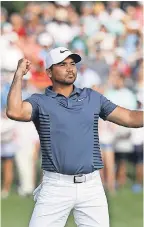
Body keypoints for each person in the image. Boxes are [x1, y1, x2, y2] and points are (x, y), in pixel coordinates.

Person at [6, 47, 143, 227]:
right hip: (55, 186)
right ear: (49, 72)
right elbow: (14, 111)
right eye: (62, 64)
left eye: (72, 63)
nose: (70, 68)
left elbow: (130, 118)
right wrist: (18, 75)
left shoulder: (92, 97)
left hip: (91, 186)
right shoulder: (39, 102)